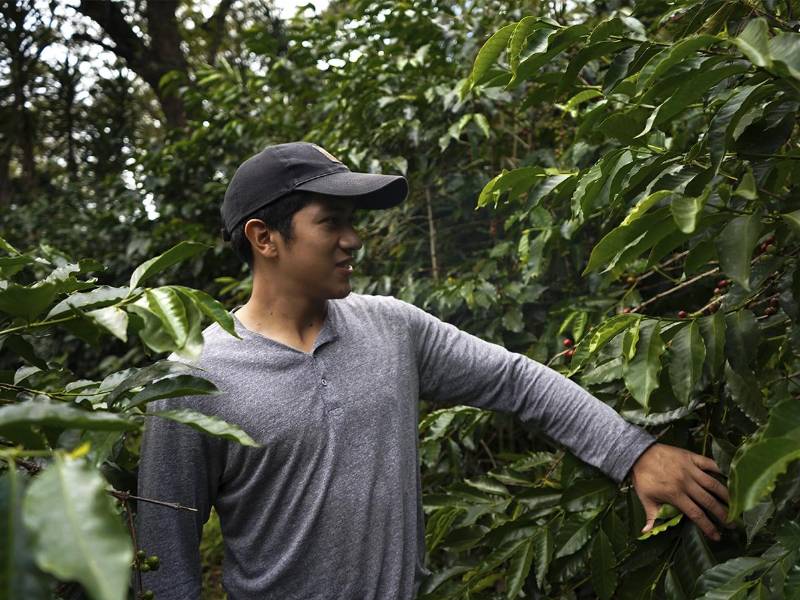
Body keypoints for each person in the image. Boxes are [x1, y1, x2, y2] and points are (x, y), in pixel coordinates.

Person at [137, 142, 732, 600]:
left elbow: (515, 379)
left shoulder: (391, 328)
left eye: (354, 221)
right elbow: (167, 550)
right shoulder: (197, 378)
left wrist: (634, 454)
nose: (353, 240)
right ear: (264, 238)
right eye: (332, 222)